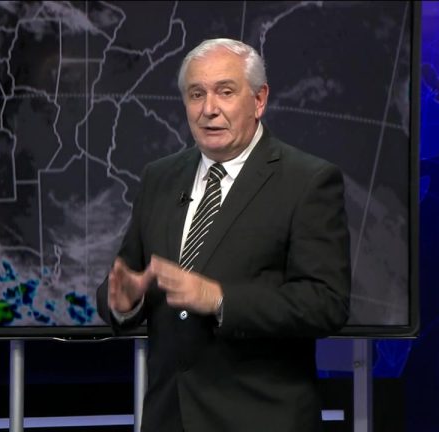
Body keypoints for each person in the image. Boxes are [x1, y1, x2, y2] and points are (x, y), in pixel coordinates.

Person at [96, 38, 351, 432]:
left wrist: (219, 299)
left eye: (225, 92)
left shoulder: (307, 181)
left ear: (259, 100)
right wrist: (126, 301)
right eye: (196, 94)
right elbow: (126, 279)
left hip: (260, 420)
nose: (208, 109)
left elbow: (326, 304)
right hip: (169, 418)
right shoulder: (159, 178)